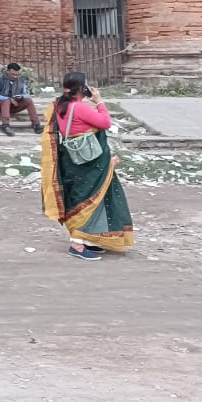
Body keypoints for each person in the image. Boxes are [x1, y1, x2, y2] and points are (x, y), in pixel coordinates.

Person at [41, 73, 135, 261]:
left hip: (72, 160)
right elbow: (105, 122)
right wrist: (99, 102)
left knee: (84, 198)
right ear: (82, 89)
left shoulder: (58, 105)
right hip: (89, 162)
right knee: (87, 200)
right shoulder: (78, 107)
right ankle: (77, 244)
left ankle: (87, 239)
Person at [0, 63, 41, 136]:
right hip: (1, 105)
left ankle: (36, 124)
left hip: (15, 104)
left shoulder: (21, 80)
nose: (15, 76)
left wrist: (21, 97)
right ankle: (5, 125)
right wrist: (9, 99)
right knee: (6, 101)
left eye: (17, 74)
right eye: (13, 74)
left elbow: (26, 94)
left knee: (28, 100)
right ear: (7, 71)